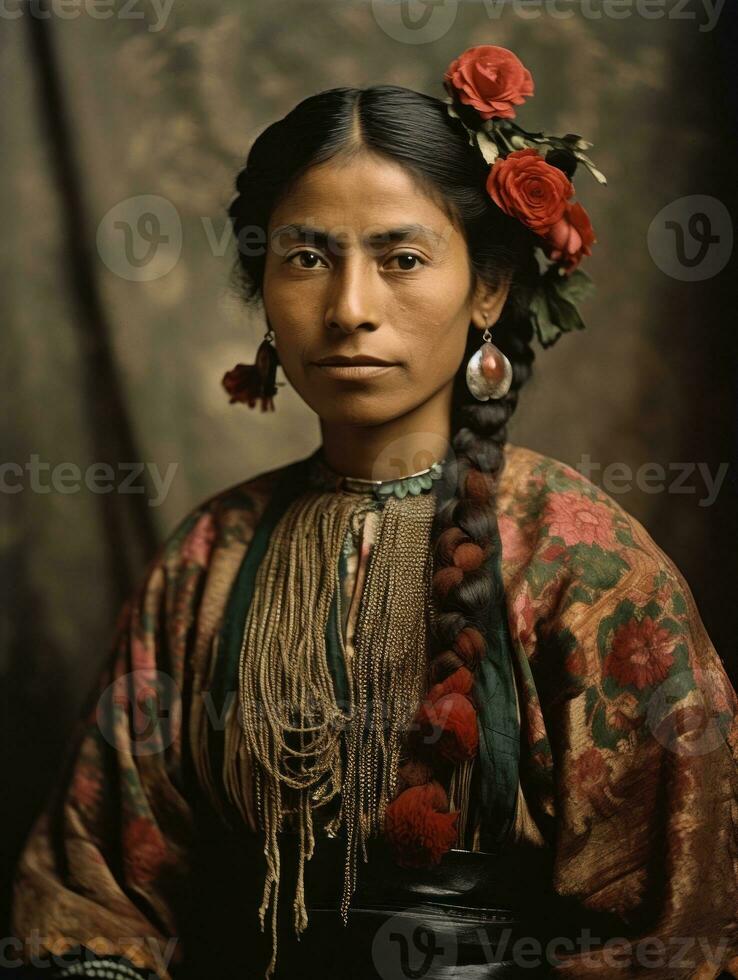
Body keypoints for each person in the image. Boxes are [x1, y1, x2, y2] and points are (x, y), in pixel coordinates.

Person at [11, 43, 738, 980]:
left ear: (488, 288)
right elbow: (96, 891)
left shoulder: (581, 561)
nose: (350, 307)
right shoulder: (211, 556)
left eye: (402, 257)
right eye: (308, 257)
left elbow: (682, 928)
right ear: (265, 293)